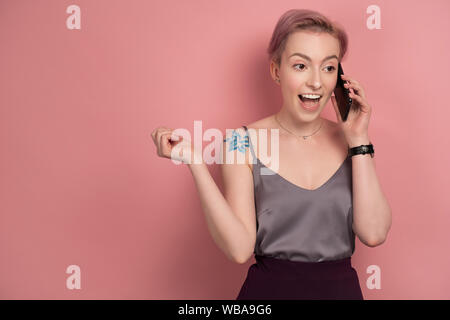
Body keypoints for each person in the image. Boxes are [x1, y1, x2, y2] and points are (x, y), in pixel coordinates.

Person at [151, 9, 392, 300]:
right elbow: (240, 249)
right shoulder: (242, 142)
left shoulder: (353, 142)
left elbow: (374, 233)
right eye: (301, 66)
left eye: (328, 68)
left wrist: (359, 139)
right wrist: (195, 161)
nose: (316, 82)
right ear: (276, 70)